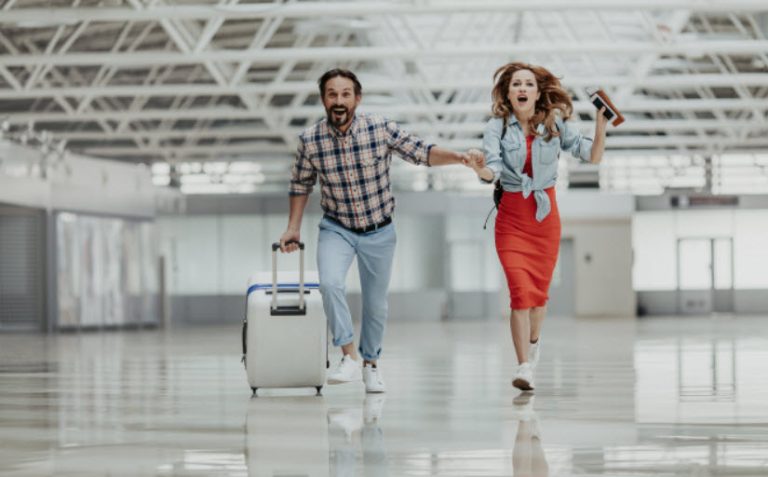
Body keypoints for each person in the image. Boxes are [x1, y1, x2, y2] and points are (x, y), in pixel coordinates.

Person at [280, 68, 470, 394]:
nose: (338, 101)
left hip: (379, 230)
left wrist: (460, 158)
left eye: (345, 94)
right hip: (337, 227)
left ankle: (371, 365)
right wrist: (292, 228)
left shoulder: (380, 129)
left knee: (376, 304)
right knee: (329, 283)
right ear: (324, 99)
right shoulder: (310, 141)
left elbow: (422, 152)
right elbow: (300, 184)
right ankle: (348, 355)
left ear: (357, 98)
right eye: (332, 94)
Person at [465, 62, 608, 391]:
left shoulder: (555, 124)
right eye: (516, 84)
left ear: (538, 91)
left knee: (538, 297)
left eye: (528, 83)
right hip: (512, 217)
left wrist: (601, 123)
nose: (522, 89)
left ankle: (534, 342)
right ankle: (523, 366)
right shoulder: (497, 127)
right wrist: (479, 169)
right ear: (509, 92)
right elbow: (493, 172)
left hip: (545, 218)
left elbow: (594, 156)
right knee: (519, 293)